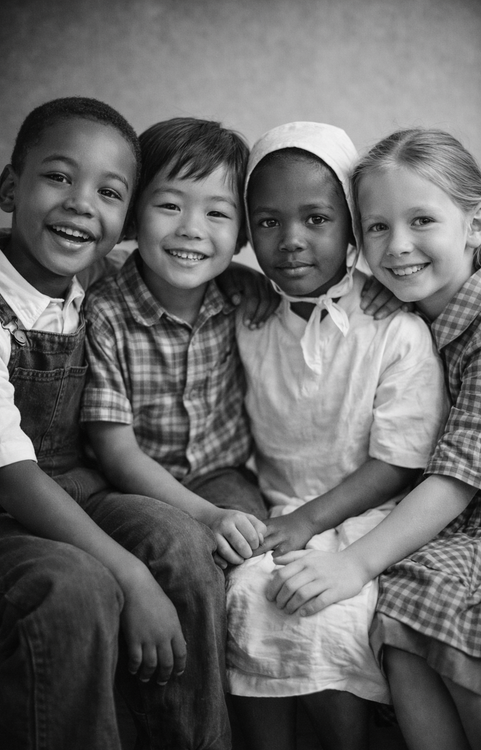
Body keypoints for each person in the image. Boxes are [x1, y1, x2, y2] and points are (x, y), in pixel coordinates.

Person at [0, 97, 234, 750]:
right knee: (74, 589)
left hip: (75, 485)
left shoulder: (92, 282)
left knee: (180, 541)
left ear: (122, 220)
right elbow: (11, 479)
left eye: (109, 192)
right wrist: (131, 575)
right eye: (58, 177)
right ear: (11, 187)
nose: (81, 204)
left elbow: (187, 257)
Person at [224, 122, 447, 750]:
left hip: (369, 517)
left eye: (318, 218)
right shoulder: (247, 315)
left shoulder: (391, 326)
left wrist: (310, 524)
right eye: (267, 222)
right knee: (247, 597)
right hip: (280, 511)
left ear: (351, 226)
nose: (291, 241)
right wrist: (292, 524)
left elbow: (401, 462)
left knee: (333, 616)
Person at [289, 127, 481, 750]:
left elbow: (459, 472)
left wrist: (354, 563)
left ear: (474, 225)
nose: (397, 247)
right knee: (403, 602)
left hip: (467, 505)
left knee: (412, 595)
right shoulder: (406, 315)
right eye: (376, 228)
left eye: (422, 219)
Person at [81, 117, 269, 569]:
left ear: (241, 233)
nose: (191, 228)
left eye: (218, 213)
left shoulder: (240, 295)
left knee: (251, 551)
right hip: (132, 483)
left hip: (223, 473)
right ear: (131, 215)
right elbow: (116, 451)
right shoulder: (105, 313)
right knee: (185, 554)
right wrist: (206, 514)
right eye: (169, 205)